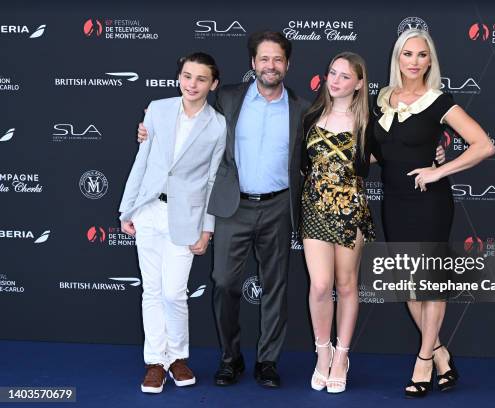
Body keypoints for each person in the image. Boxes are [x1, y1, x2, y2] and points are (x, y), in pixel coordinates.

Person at [138, 31, 310, 388]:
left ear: (288, 64)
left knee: (275, 286)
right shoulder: (227, 98)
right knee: (223, 283)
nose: (270, 65)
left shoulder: (303, 109)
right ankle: (231, 358)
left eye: (277, 59)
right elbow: (188, 123)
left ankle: (267, 361)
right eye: (264, 58)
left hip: (279, 205)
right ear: (253, 63)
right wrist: (149, 130)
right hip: (232, 206)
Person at [371, 28, 495, 398]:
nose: (414, 61)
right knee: (408, 284)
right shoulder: (382, 99)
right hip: (393, 201)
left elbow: (483, 145)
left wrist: (440, 169)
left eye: (421, 55)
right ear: (397, 58)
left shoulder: (439, 101)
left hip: (429, 203)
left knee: (430, 282)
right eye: (407, 54)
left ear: (430, 61)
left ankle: (424, 359)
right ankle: (441, 354)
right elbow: (381, 152)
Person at [118, 52, 226, 394]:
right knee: (151, 290)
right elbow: (142, 161)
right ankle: (155, 362)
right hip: (148, 210)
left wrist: (207, 229)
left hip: (187, 218)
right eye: (187, 76)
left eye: (200, 79)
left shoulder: (218, 124)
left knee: (173, 292)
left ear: (213, 84)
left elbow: (212, 180)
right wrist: (127, 210)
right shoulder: (157, 109)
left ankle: (178, 357)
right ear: (179, 77)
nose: (191, 84)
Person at [301, 52, 376, 394]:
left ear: (359, 84)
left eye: (345, 76)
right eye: (332, 72)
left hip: (351, 212)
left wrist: (435, 155)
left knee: (346, 285)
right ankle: (322, 352)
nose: (335, 80)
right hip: (314, 208)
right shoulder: (310, 115)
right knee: (320, 285)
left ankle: (342, 356)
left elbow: (401, 149)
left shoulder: (369, 123)